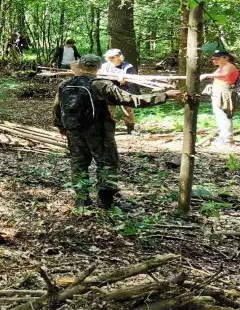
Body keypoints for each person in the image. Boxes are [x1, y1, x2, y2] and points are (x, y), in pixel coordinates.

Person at [53, 54, 180, 209]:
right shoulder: (101, 84)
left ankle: (82, 200)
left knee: (79, 163)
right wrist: (164, 95)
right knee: (107, 163)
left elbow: (57, 107)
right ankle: (106, 201)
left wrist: (61, 126)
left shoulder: (66, 84)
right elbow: (133, 100)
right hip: (99, 132)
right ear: (99, 67)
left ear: (80, 65)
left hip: (73, 130)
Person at [200, 50, 240, 147]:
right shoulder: (221, 67)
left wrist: (206, 75)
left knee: (224, 115)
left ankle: (227, 139)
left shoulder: (229, 66)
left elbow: (224, 75)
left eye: (217, 58)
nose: (214, 61)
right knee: (219, 115)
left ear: (225, 58)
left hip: (224, 92)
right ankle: (224, 137)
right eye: (213, 59)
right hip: (218, 92)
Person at [100, 49, 140, 135]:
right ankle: (108, 129)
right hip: (109, 90)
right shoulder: (104, 66)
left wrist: (125, 81)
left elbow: (133, 79)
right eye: (108, 57)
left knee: (127, 109)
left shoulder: (128, 67)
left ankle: (130, 128)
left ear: (119, 57)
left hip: (123, 90)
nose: (110, 59)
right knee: (108, 110)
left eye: (112, 57)